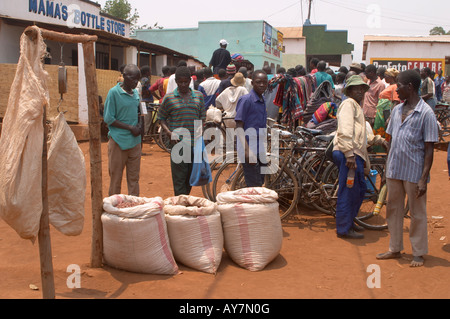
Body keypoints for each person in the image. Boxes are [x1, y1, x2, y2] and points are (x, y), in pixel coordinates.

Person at [376, 70, 439, 267]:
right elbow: (391, 141)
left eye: (399, 86)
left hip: (414, 171)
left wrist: (423, 178)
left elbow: (429, 149)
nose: (396, 90)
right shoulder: (396, 111)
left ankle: (418, 252)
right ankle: (394, 248)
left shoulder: (426, 113)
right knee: (393, 209)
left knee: (417, 213)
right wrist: (387, 170)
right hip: (395, 169)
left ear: (410, 87)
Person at [332, 75, 388, 239]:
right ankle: (343, 228)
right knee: (348, 192)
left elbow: (362, 135)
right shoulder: (348, 104)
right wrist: (349, 154)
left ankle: (350, 221)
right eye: (355, 88)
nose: (359, 91)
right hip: (348, 153)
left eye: (361, 89)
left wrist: (379, 140)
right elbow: (345, 130)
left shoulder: (356, 106)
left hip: (355, 152)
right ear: (349, 90)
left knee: (359, 190)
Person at [158, 66, 206, 196]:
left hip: (194, 144)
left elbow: (202, 117)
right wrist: (169, 132)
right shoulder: (169, 98)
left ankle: (184, 200)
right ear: (176, 82)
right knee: (179, 178)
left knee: (190, 177)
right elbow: (161, 118)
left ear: (190, 80)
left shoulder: (199, 96)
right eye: (180, 82)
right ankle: (181, 204)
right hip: (178, 144)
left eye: (186, 81)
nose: (183, 84)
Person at [103, 64, 143, 197]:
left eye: (137, 79)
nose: (135, 82)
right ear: (124, 76)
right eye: (132, 78)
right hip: (118, 142)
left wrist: (139, 126)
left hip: (134, 142)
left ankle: (134, 209)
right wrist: (130, 128)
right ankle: (114, 210)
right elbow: (109, 118)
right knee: (116, 180)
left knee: (134, 180)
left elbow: (139, 112)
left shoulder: (136, 93)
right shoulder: (113, 93)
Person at [235, 70, 269, 187]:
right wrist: (247, 151)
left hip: (260, 147)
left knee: (260, 181)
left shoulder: (263, 100)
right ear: (252, 83)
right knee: (254, 185)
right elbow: (239, 126)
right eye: (258, 82)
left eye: (264, 82)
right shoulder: (246, 100)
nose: (262, 85)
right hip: (248, 148)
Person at [372, 68, 401, 151]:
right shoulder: (390, 86)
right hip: (381, 113)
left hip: (386, 113)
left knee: (385, 132)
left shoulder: (395, 87)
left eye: (386, 76)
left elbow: (395, 102)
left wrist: (390, 117)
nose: (385, 78)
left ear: (392, 77)